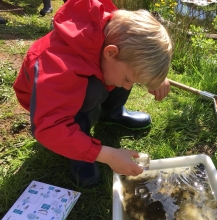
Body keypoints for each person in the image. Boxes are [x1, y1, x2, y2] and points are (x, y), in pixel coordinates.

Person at [13, 0, 172, 188]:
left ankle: (112, 112)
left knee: (117, 78)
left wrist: (153, 77)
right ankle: (80, 146)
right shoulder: (59, 68)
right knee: (94, 90)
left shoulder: (113, 32)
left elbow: (137, 47)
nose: (129, 87)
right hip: (50, 104)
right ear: (111, 53)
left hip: (94, 71)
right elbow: (48, 127)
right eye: (130, 79)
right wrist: (106, 155)